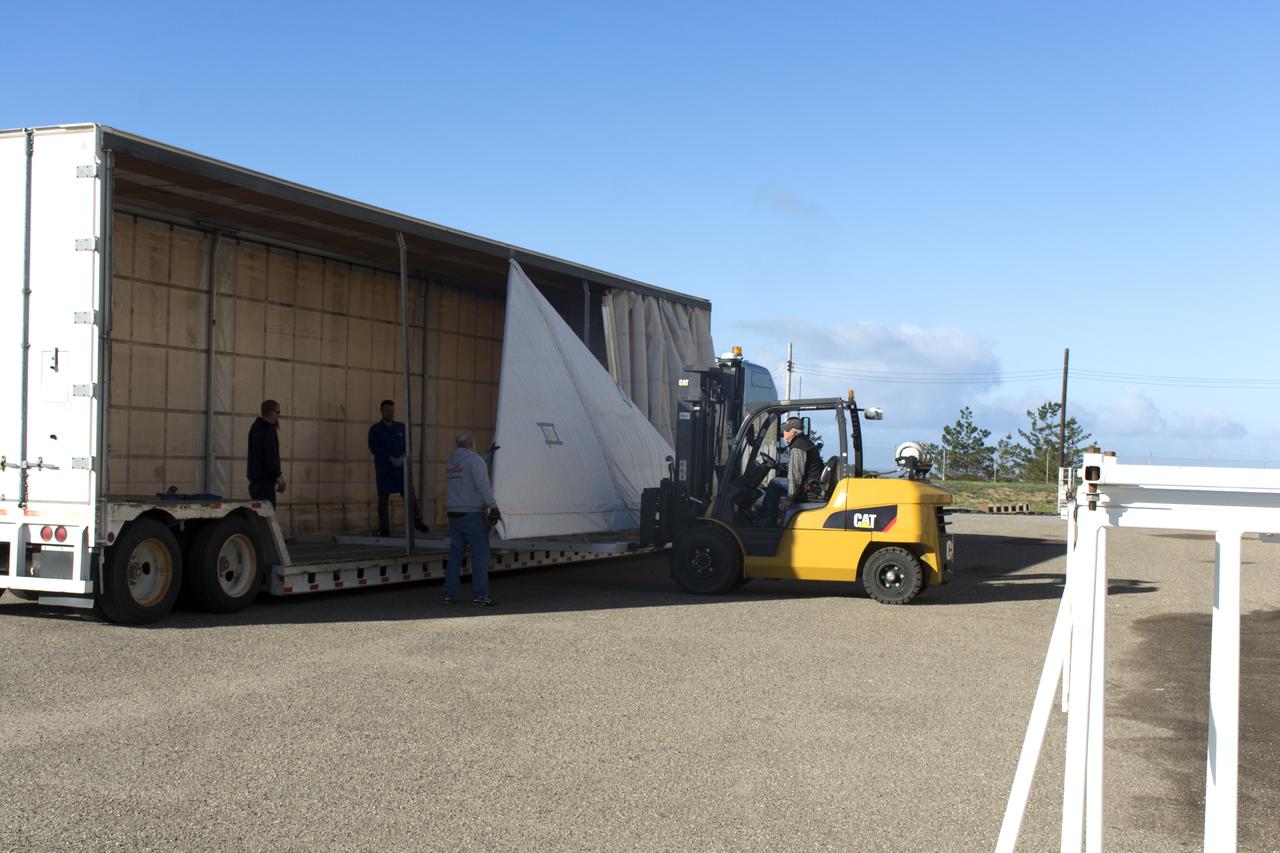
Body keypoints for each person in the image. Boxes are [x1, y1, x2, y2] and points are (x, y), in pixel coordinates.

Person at [443, 432, 500, 606]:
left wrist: (487, 457)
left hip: (454, 515)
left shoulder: (451, 462)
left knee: (455, 556)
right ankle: (480, 595)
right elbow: (483, 485)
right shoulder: (475, 461)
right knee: (479, 556)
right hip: (472, 515)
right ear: (472, 443)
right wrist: (493, 506)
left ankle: (448, 594)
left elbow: (468, 467)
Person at [367, 400, 429, 537]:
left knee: (411, 496)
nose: (390, 413)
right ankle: (384, 528)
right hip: (385, 469)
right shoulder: (375, 429)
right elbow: (374, 448)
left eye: (392, 410)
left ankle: (418, 522)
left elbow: (408, 445)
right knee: (383, 499)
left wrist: (403, 457)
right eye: (388, 410)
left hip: (401, 470)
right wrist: (389, 458)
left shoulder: (401, 428)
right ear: (381, 411)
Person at [758, 417, 824, 525]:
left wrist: (790, 498)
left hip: (807, 486)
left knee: (774, 483)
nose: (783, 432)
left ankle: (767, 520)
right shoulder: (804, 442)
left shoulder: (798, 447)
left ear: (792, 432)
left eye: (786, 430)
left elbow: (796, 476)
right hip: (809, 482)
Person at [247, 399, 286, 509]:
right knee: (267, 515)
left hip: (255, 481)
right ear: (271, 412)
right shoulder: (268, 430)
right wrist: (278, 476)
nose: (279, 415)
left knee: (259, 515)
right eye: (278, 412)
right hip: (265, 482)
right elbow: (270, 456)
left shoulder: (255, 427)